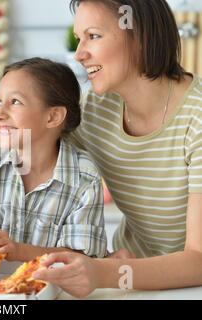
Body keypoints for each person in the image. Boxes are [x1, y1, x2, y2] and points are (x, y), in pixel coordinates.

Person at [32, 0, 202, 298]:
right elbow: (33, 158)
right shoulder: (95, 110)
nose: (80, 53)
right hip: (131, 280)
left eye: (93, 36)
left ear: (141, 38)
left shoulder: (197, 118)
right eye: (79, 38)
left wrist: (103, 273)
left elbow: (199, 260)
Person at [0, 58, 108, 261]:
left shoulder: (85, 178)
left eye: (15, 102)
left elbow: (82, 258)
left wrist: (17, 251)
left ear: (53, 116)